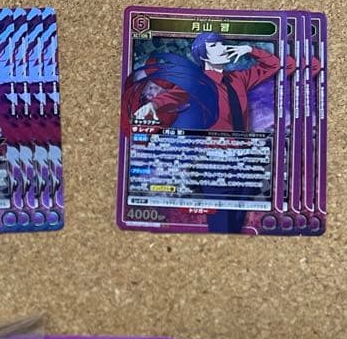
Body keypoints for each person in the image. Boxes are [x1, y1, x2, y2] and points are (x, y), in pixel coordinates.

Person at [122, 33, 295, 233]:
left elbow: (281, 66)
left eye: (222, 44)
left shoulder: (239, 78)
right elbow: (175, 95)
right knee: (221, 224)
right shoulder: (198, 83)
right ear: (203, 56)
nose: (222, 48)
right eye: (215, 46)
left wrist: (249, 50)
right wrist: (153, 104)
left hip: (245, 160)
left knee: (237, 222)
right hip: (215, 161)